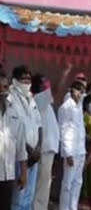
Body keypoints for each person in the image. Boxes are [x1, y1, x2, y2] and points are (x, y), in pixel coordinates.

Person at [10, 66, 43, 210]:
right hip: (19, 157)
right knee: (18, 197)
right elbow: (14, 129)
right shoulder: (10, 98)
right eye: (23, 78)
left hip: (34, 156)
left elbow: (39, 125)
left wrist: (38, 148)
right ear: (15, 80)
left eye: (29, 79)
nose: (26, 81)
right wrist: (30, 151)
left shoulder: (31, 98)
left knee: (29, 196)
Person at [31, 74, 60, 210]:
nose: (47, 85)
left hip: (48, 149)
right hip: (44, 149)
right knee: (42, 184)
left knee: (44, 182)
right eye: (44, 83)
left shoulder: (45, 102)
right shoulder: (38, 99)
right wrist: (65, 73)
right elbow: (56, 89)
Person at [0, 74, 27, 210]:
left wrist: (23, 172)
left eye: (4, 87)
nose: (2, 91)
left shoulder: (15, 112)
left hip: (8, 174)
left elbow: (21, 144)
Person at [58, 81, 86, 210]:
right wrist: (67, 153)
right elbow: (63, 130)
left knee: (78, 182)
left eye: (82, 91)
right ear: (71, 90)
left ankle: (73, 207)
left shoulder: (78, 106)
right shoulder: (65, 107)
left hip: (80, 150)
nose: (80, 93)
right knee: (67, 183)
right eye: (78, 90)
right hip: (71, 151)